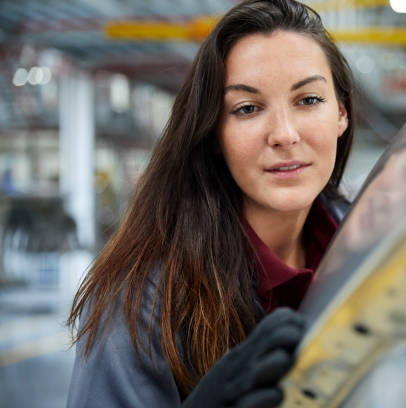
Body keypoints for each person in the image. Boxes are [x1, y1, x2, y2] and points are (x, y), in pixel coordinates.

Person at [66, 0, 355, 406]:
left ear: (340, 113)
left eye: (308, 100)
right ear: (214, 133)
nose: (284, 135)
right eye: (248, 108)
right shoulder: (141, 301)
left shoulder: (371, 243)